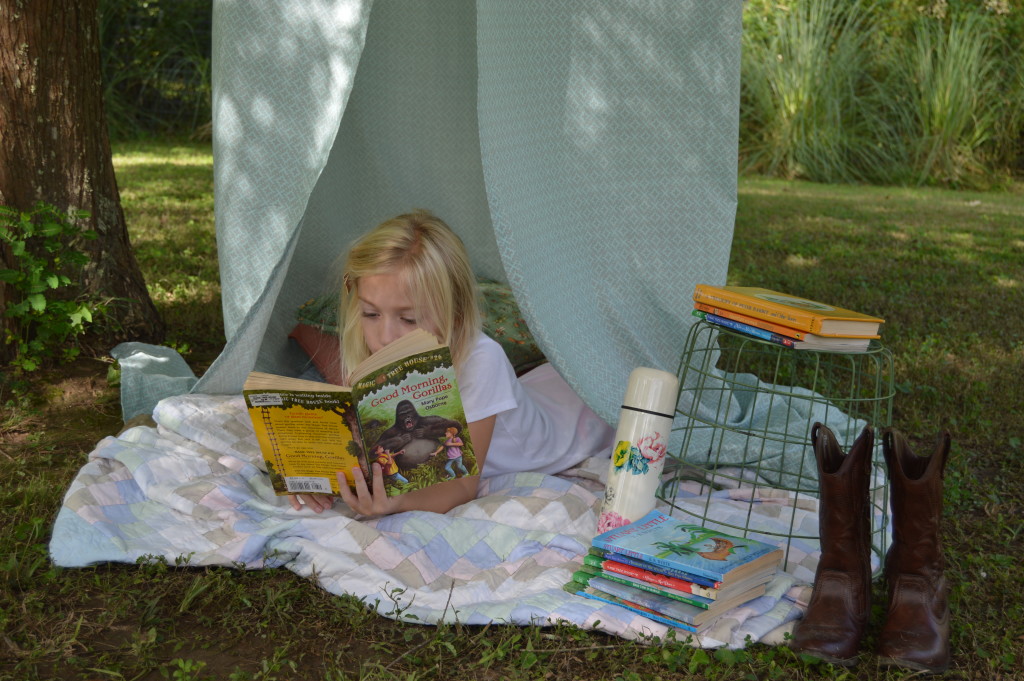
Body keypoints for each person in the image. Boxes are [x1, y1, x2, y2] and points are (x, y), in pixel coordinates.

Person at [289, 210, 613, 517]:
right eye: (371, 313)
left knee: (602, 381)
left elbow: (460, 486)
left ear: (454, 316)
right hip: (533, 392)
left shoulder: (482, 359)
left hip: (574, 424)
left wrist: (397, 502)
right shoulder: (369, 343)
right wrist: (317, 475)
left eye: (409, 318)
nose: (384, 336)